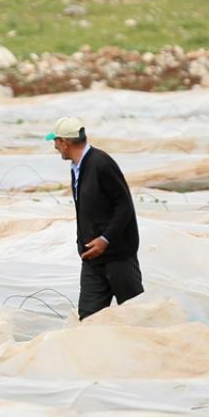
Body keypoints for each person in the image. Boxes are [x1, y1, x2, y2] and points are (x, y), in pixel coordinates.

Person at [46, 116, 142, 320]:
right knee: (88, 318)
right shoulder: (77, 168)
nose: (55, 147)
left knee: (135, 314)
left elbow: (124, 205)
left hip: (118, 256)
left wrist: (105, 239)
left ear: (65, 142)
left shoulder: (101, 164)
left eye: (56, 141)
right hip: (92, 258)